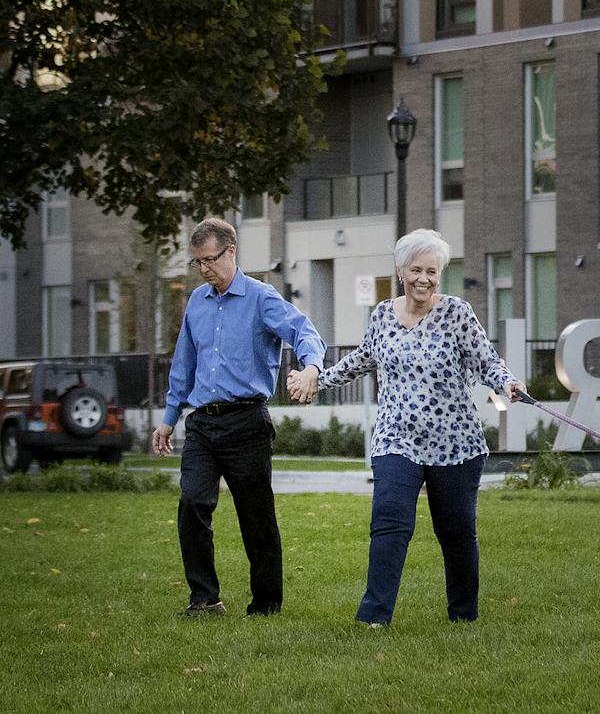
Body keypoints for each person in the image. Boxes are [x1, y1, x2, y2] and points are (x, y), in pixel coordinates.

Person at [289, 228, 525, 627]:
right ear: (401, 271)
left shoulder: (457, 313)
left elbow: (486, 360)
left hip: (455, 443)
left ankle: (463, 617)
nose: (424, 279)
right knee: (389, 521)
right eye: (416, 270)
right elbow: (362, 359)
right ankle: (374, 618)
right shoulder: (382, 315)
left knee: (456, 533)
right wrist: (318, 378)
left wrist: (507, 382)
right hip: (396, 439)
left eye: (432, 271)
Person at [153, 216, 325, 618]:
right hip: (201, 423)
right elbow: (184, 363)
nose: (203, 269)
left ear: (231, 252)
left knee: (256, 517)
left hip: (246, 422)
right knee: (192, 503)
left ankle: (266, 604)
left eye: (209, 259)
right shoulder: (197, 301)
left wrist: (312, 367)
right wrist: (169, 416)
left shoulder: (261, 297)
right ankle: (204, 599)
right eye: (197, 262)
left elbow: (304, 332)